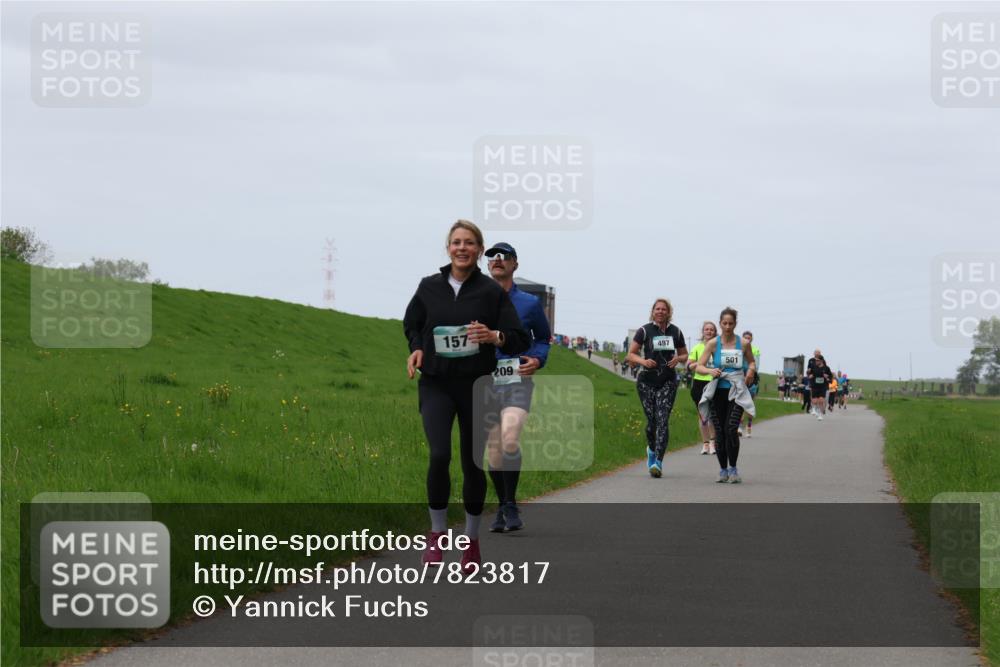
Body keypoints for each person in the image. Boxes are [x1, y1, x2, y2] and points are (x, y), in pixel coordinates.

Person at [403, 220, 530, 571]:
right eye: (457, 242)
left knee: (473, 463)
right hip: (436, 384)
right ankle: (438, 533)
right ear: (448, 248)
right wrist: (416, 348)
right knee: (440, 454)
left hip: (478, 385)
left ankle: (471, 541)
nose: (462, 248)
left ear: (478, 249)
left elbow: (518, 337)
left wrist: (495, 337)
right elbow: (411, 323)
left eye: (470, 243)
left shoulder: (490, 292)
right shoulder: (429, 287)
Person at [483, 242, 551, 533]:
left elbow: (543, 339)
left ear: (514, 264)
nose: (497, 260)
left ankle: (509, 505)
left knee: (510, 437)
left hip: (517, 381)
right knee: (494, 450)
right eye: (492, 257)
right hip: (484, 382)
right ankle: (503, 504)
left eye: (504, 256)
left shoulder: (530, 303)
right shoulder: (474, 301)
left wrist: (536, 359)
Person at [626, 298, 688, 478]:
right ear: (653, 311)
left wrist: (678, 359)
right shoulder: (644, 330)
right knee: (651, 422)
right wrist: (643, 361)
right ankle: (651, 450)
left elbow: (684, 354)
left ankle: (658, 462)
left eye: (664, 309)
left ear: (669, 312)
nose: (660, 312)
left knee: (662, 420)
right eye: (657, 309)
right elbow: (630, 354)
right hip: (646, 381)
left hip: (667, 381)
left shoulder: (676, 332)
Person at [695, 307, 756, 483]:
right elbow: (699, 366)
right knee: (720, 432)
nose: (727, 326)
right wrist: (709, 370)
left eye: (731, 323)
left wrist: (750, 371)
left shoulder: (743, 343)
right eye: (724, 323)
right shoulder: (713, 343)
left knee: (731, 429)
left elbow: (751, 361)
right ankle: (723, 470)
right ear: (720, 323)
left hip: (736, 390)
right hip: (718, 391)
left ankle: (733, 468)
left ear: (735, 324)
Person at [686, 320, 718, 455]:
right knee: (703, 416)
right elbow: (688, 366)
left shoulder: (719, 348)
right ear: (703, 332)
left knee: (712, 415)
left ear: (715, 332)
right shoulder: (697, 348)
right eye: (707, 329)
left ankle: (713, 443)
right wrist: (700, 363)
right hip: (699, 383)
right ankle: (705, 444)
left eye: (712, 329)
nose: (709, 331)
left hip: (715, 383)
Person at [739, 331, 761, 438]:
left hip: (751, 379)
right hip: (739, 377)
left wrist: (750, 373)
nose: (747, 339)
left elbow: (755, 365)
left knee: (749, 404)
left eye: (749, 338)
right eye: (745, 338)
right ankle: (739, 426)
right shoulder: (738, 348)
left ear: (751, 339)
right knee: (739, 404)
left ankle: (749, 426)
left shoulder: (755, 350)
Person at [808, 354, 832, 420]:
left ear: (821, 361)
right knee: (815, 401)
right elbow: (809, 374)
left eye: (817, 360)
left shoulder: (826, 368)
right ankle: (814, 409)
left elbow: (830, 377)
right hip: (815, 386)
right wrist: (810, 376)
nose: (816, 362)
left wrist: (828, 378)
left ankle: (820, 415)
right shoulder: (814, 367)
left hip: (823, 387)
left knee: (821, 401)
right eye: (815, 360)